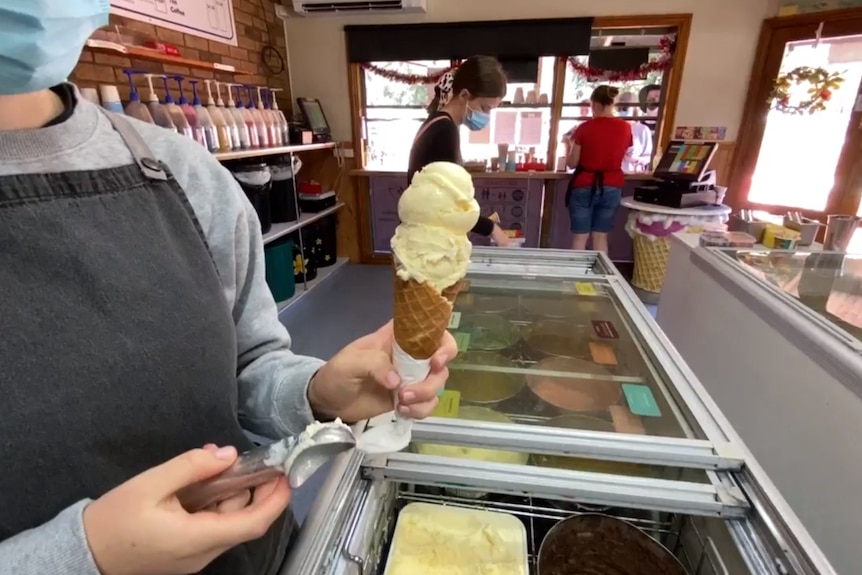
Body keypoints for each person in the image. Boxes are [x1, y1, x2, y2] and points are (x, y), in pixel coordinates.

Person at [0, 3, 456, 575]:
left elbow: (250, 365)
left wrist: (315, 392)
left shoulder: (182, 171)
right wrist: (82, 557)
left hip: (258, 557)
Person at [407, 56, 510, 246]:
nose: (485, 116)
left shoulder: (438, 122)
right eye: (484, 108)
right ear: (464, 96)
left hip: (424, 235)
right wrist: (491, 229)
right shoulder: (444, 131)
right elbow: (447, 206)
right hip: (428, 243)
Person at [562, 85, 632, 253]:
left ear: (593, 104)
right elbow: (624, 155)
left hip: (584, 185)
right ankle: (601, 278)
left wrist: (567, 145)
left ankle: (576, 277)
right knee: (601, 236)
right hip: (613, 185)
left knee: (580, 237)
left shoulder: (585, 128)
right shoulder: (625, 127)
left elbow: (572, 163)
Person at [616, 91, 653, 173]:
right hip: (613, 176)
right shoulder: (612, 128)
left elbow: (648, 157)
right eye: (619, 108)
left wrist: (634, 159)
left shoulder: (642, 130)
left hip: (633, 175)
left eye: (625, 108)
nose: (622, 111)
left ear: (634, 108)